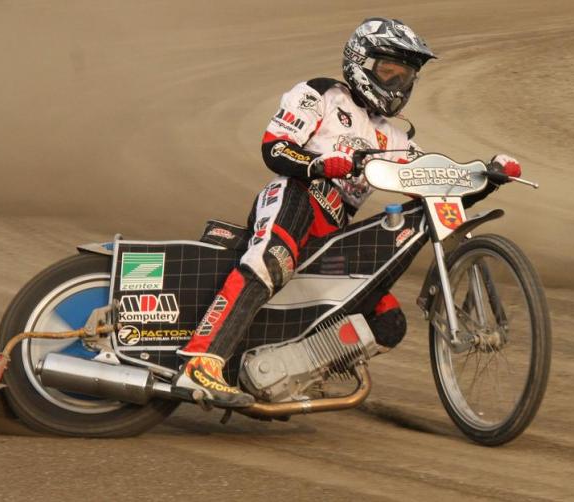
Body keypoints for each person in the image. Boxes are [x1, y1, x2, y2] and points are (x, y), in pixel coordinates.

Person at [173, 17, 522, 407]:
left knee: (388, 323)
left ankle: (285, 374)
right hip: (296, 196)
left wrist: (486, 176)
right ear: (361, 63)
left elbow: (431, 185)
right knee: (272, 259)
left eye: (406, 76)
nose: (398, 84)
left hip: (335, 231)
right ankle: (201, 362)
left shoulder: (394, 136)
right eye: (389, 71)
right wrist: (320, 164)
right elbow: (275, 147)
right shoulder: (321, 93)